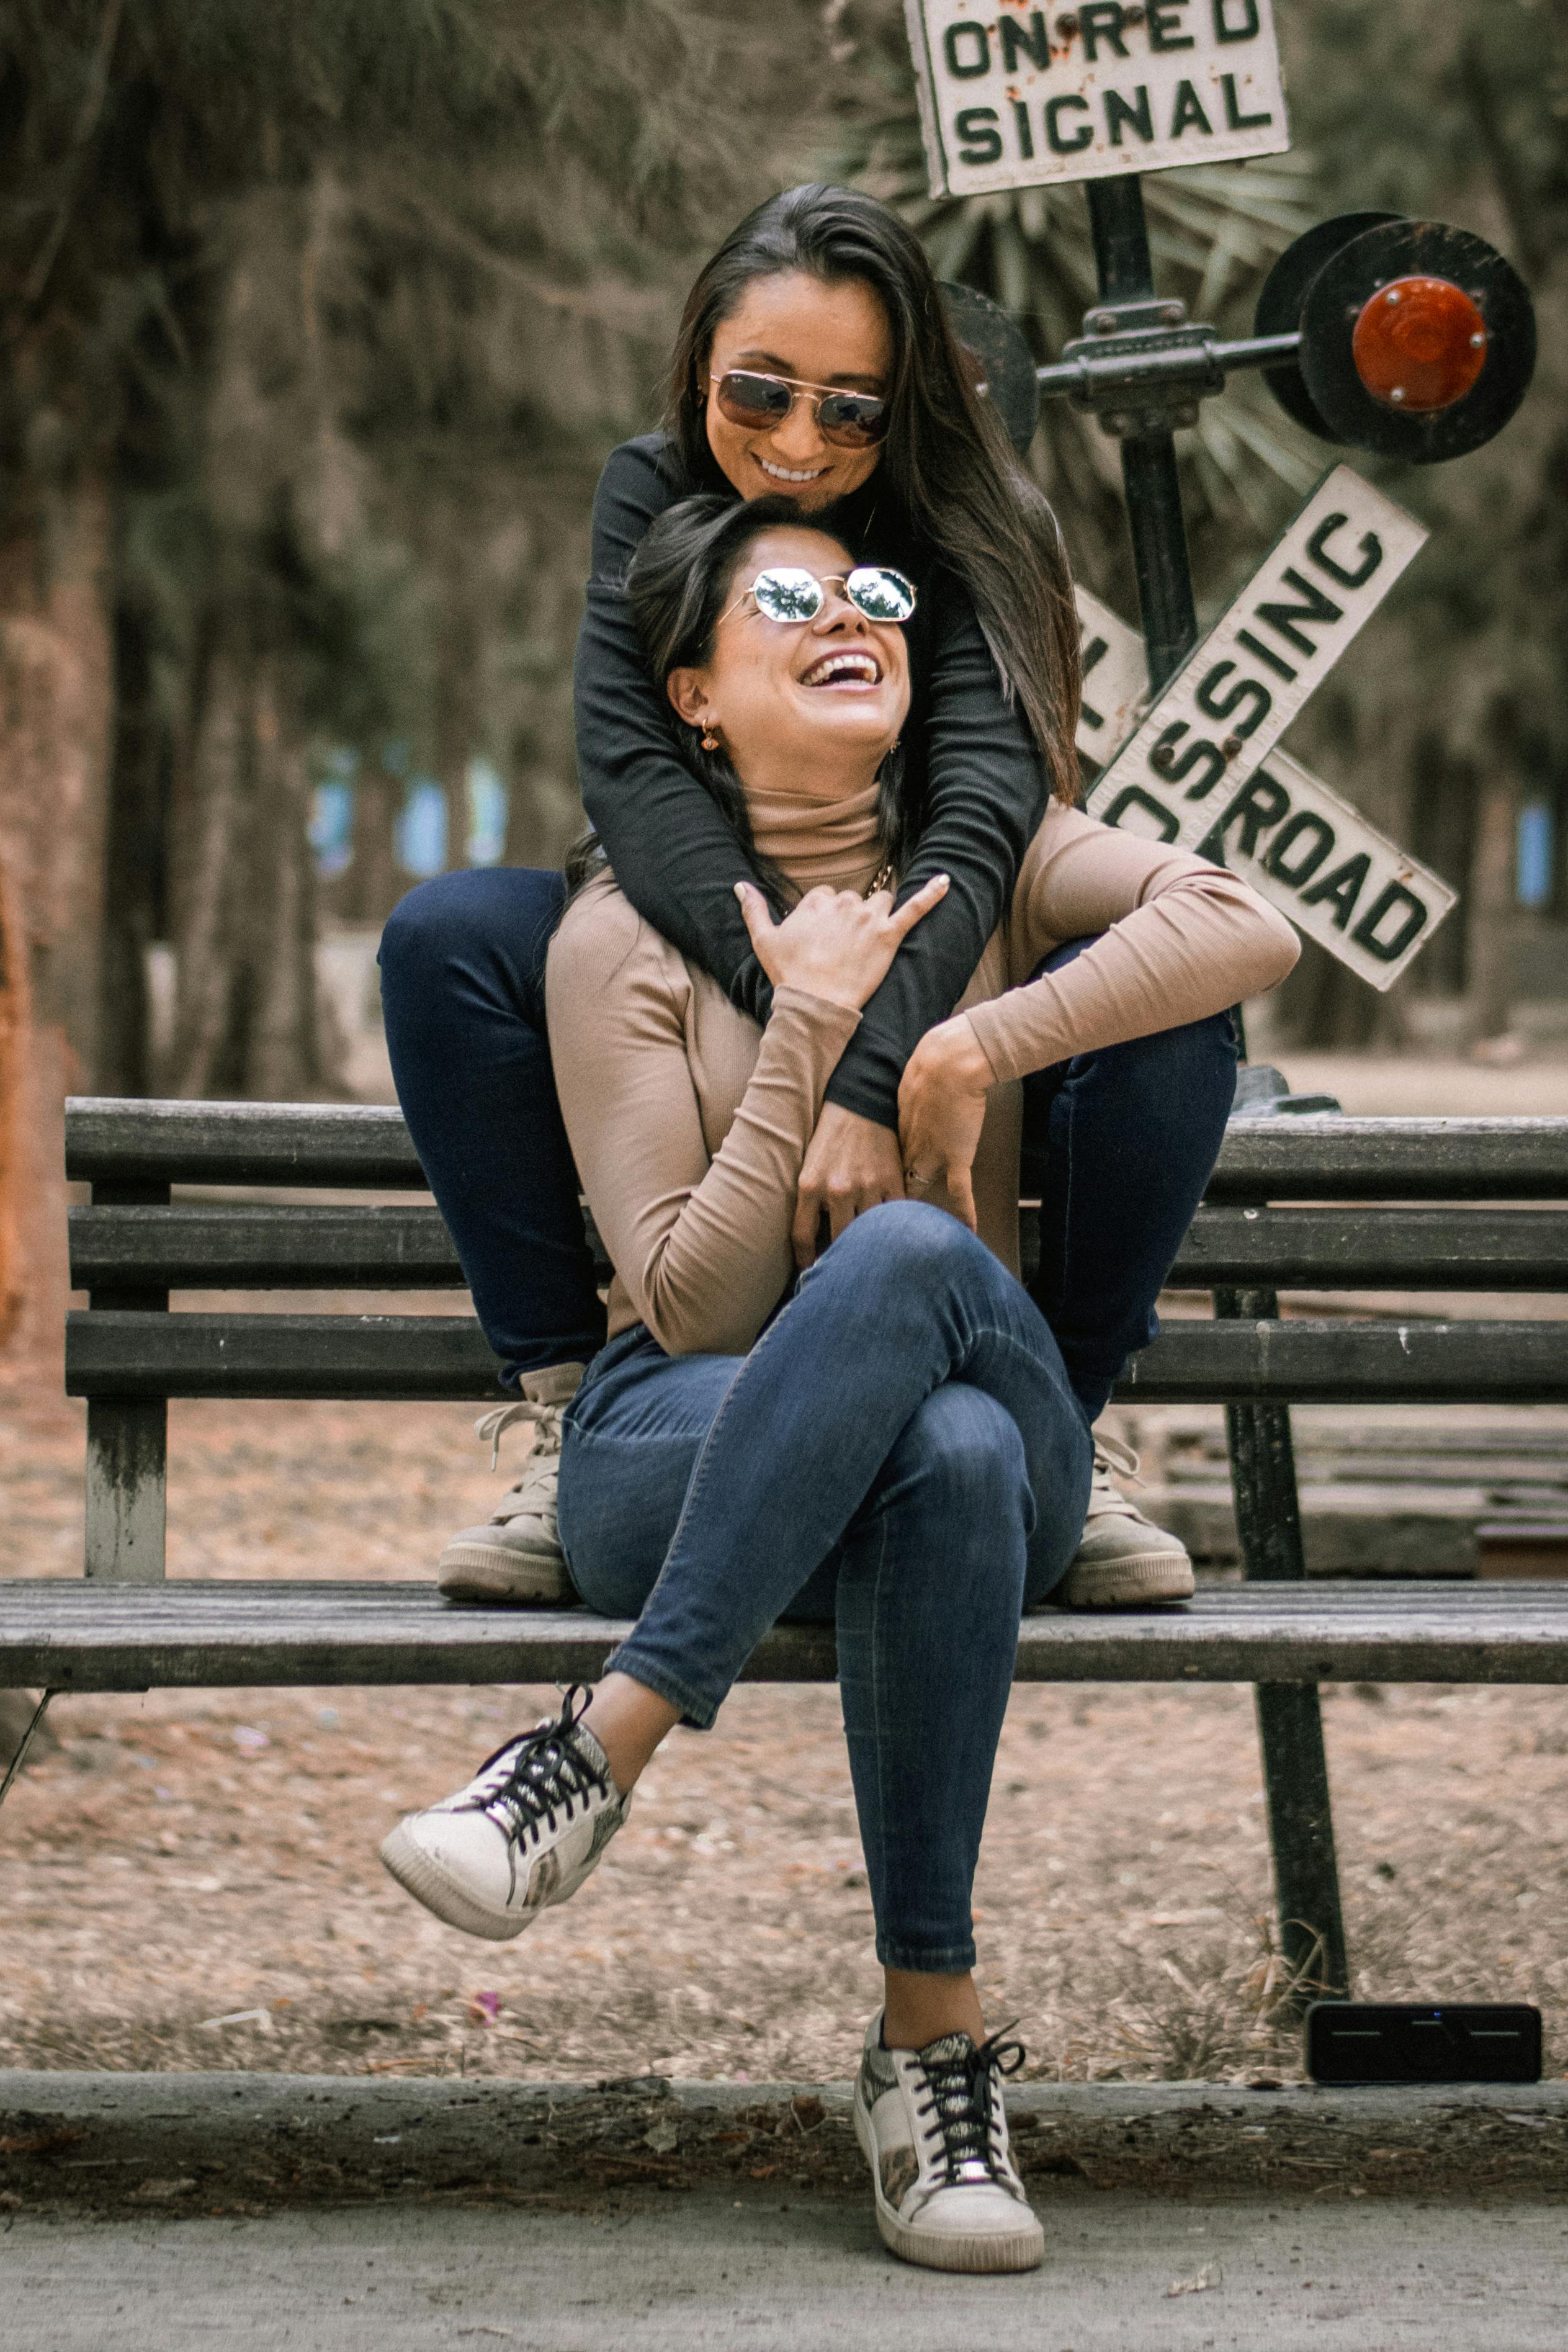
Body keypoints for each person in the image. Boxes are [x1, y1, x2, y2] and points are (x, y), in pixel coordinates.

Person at [380, 496, 1300, 2274]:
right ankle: (932, 2045)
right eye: (783, 597)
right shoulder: (619, 939)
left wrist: (963, 1036)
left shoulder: (1000, 868)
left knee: (917, 1281)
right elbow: (690, 1296)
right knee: (937, 1423)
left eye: (874, 587)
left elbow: (1240, 926)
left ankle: (592, 1751)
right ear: (696, 694)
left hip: (993, 1428)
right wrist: (806, 1028)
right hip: (679, 1432)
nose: (848, 612)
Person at [379, 181, 1216, 1609]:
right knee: (451, 938)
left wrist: (883, 1061)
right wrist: (817, 1021)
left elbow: (982, 814)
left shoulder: (975, 524)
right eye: (758, 390)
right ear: (701, 355)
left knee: (1177, 1019)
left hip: (939, 924)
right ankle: (569, 1402)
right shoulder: (650, 486)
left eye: (852, 409)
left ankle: (1059, 1426)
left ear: (904, 413)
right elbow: (636, 785)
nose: (795, 443)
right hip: (718, 923)